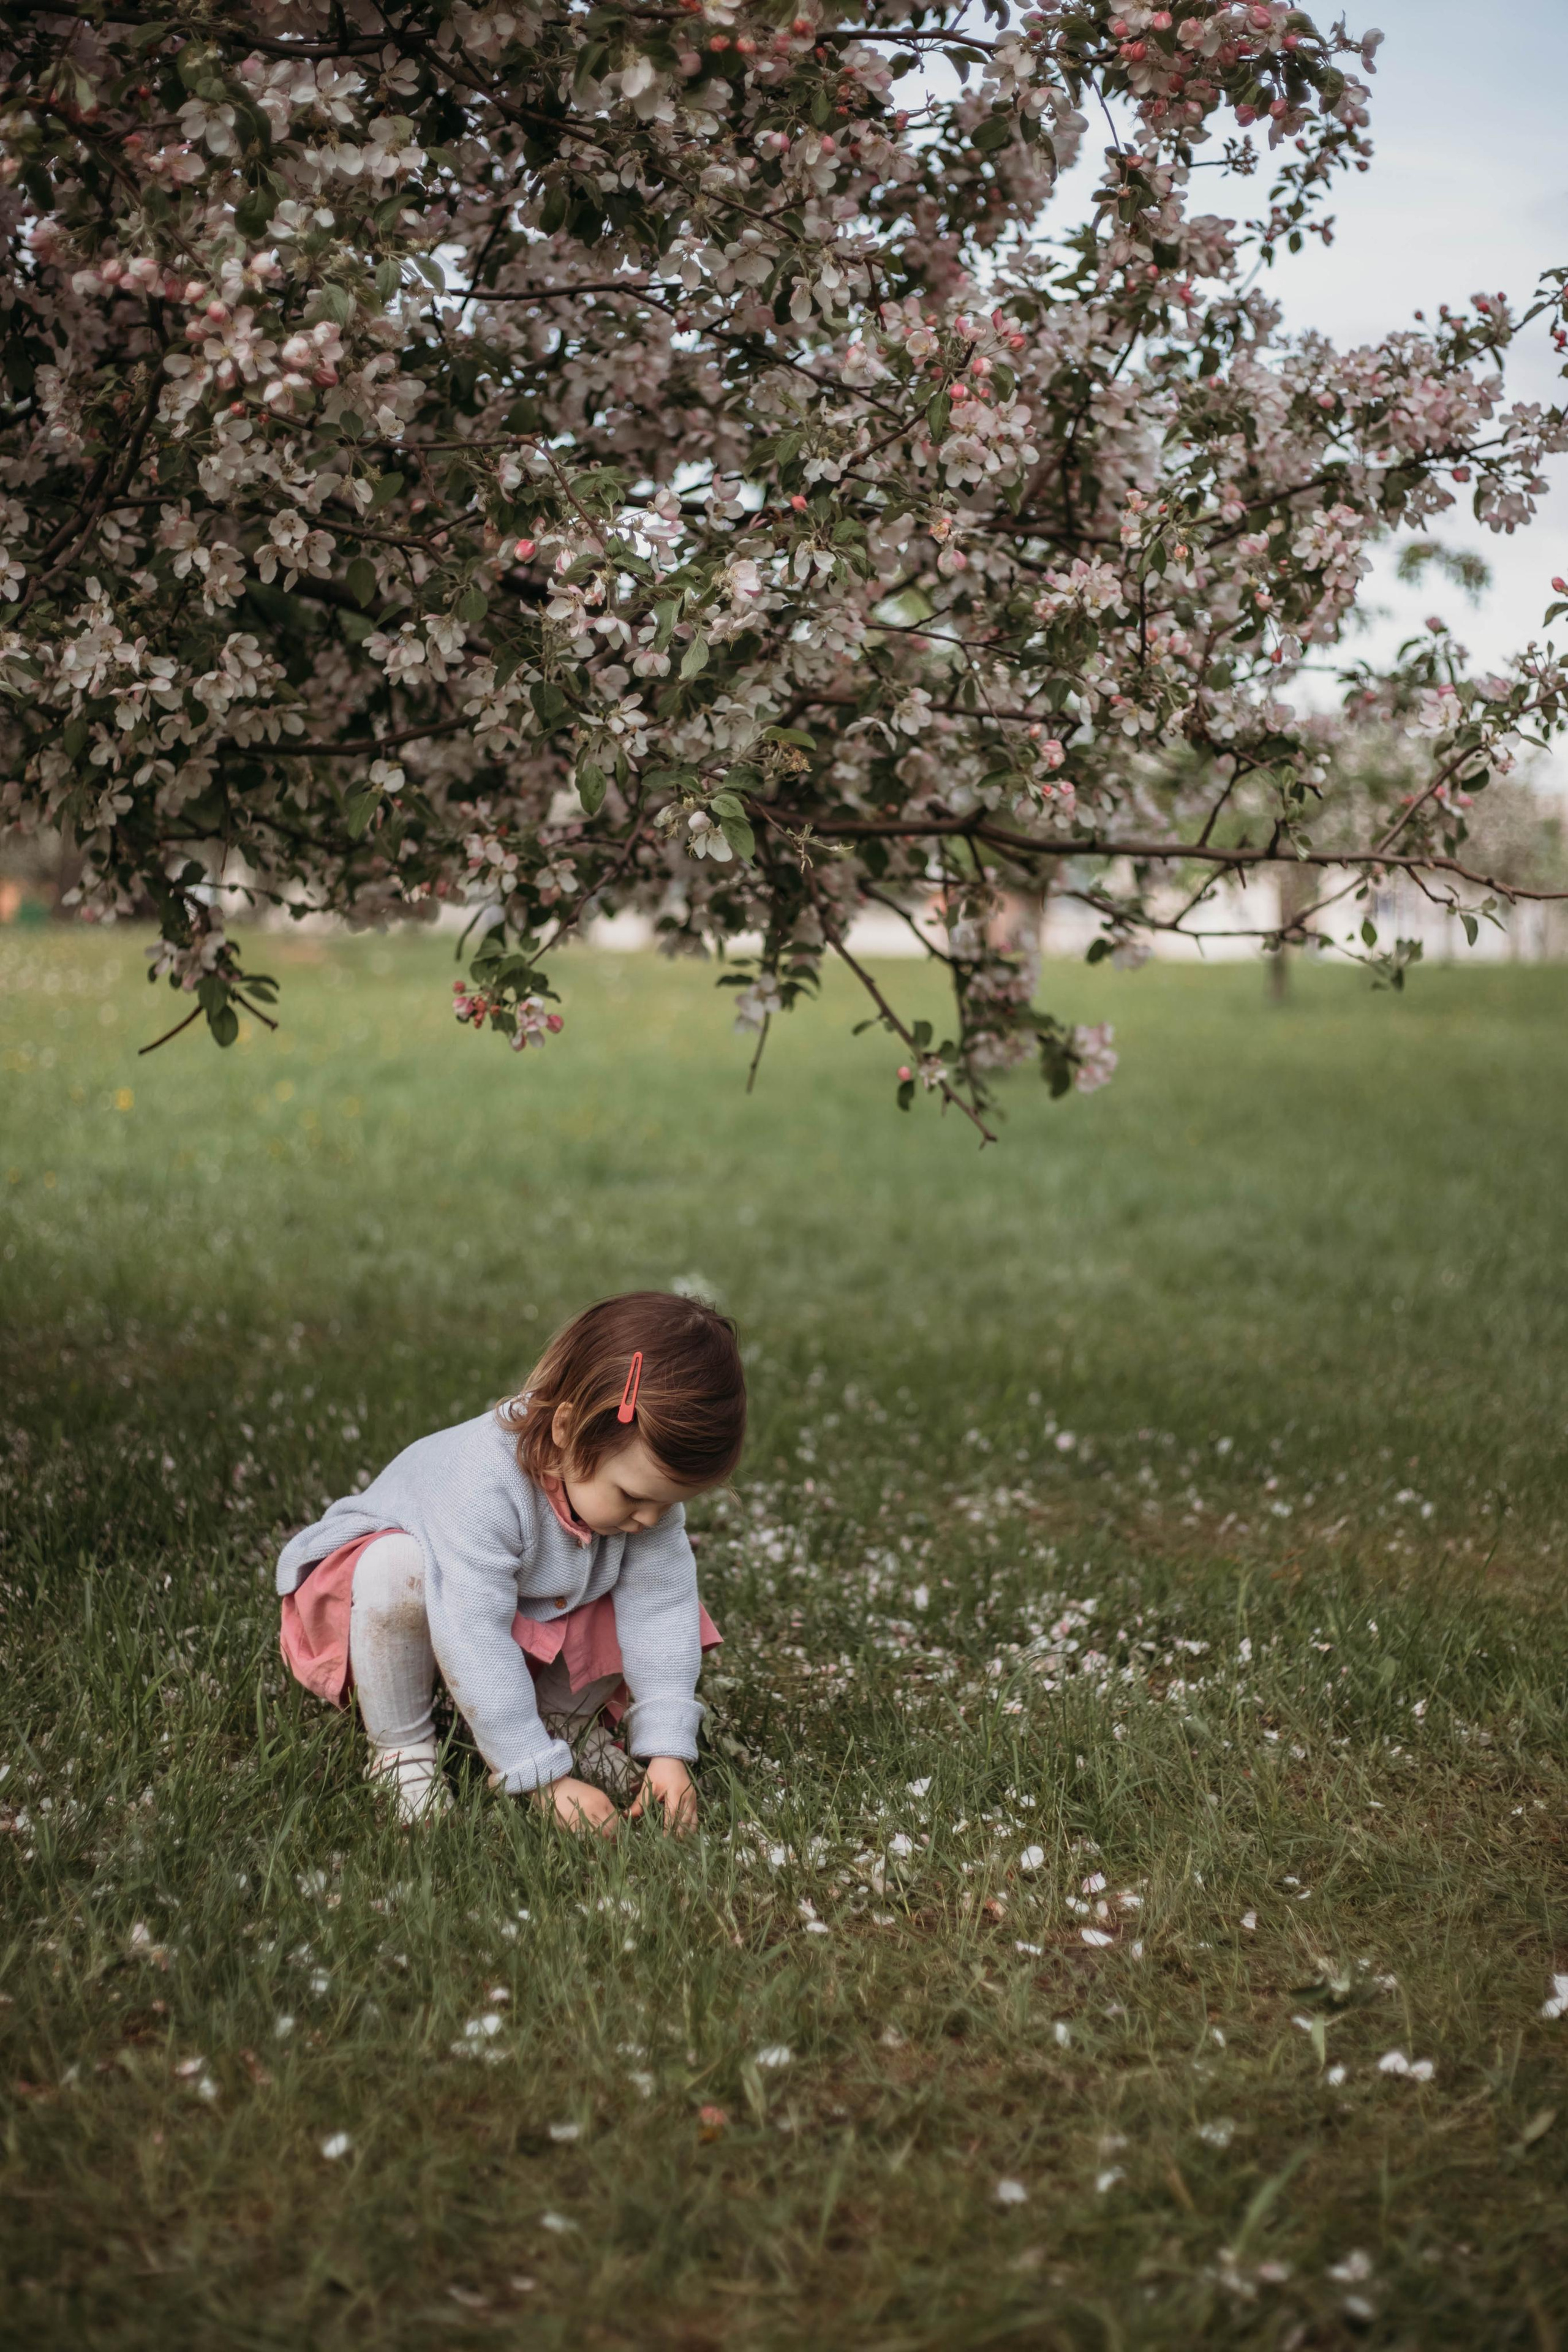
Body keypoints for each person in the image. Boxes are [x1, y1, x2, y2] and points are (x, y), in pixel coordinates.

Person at [273, 1292, 744, 1833]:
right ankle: (402, 1747)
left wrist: (668, 1750)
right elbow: (471, 1633)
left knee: (639, 1591)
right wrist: (538, 1781)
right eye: (634, 1497)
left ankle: (557, 1725)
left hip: (518, 1613)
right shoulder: (484, 1485)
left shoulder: (638, 1504)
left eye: (670, 1502)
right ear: (566, 1432)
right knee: (395, 1569)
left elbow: (662, 1610)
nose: (650, 1518)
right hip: (400, 1612)